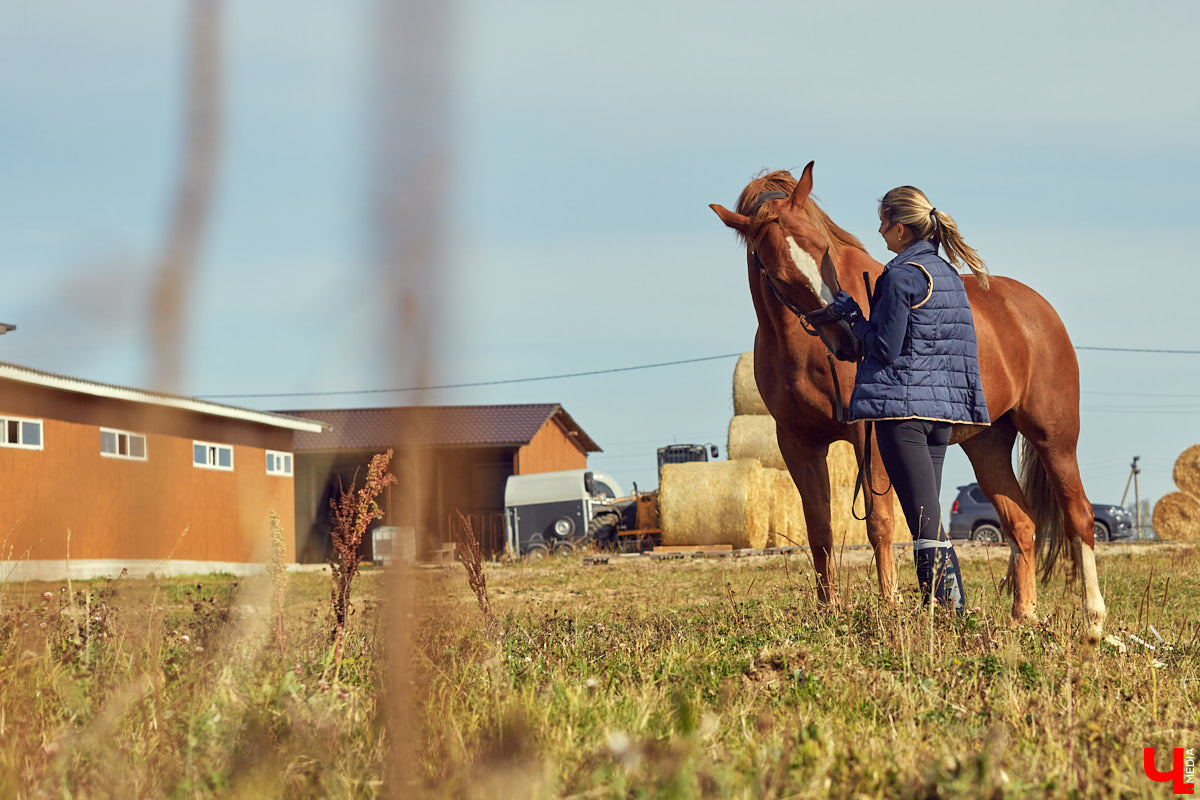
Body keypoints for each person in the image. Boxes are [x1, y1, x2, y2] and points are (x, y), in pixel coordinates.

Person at [823, 186, 991, 613]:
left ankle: (946, 612)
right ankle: (950, 612)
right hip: (941, 416)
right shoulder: (948, 275)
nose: (879, 233)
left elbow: (883, 348)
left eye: (883, 224)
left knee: (922, 520)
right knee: (929, 512)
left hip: (903, 413)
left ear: (900, 228)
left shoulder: (900, 276)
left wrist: (852, 317)